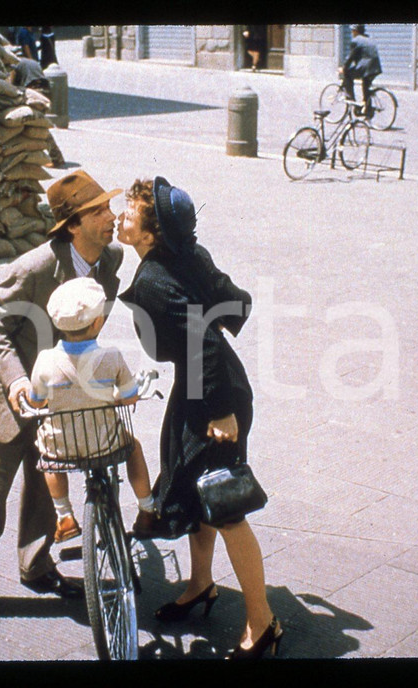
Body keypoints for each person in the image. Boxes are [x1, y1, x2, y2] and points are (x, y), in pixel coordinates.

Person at [116, 177, 283, 660]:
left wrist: (222, 412)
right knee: (196, 488)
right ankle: (201, 584)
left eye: (128, 214)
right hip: (208, 386)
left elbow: (202, 343)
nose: (121, 218)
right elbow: (237, 299)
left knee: (227, 505)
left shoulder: (153, 281)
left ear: (151, 234)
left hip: (213, 395)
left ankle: (262, 622)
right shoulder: (189, 253)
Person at [0, 170, 125, 638]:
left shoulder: (111, 259)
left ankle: (36, 566)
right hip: (9, 398)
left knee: (44, 487)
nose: (110, 218)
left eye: (108, 208)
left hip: (60, 394)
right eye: (98, 212)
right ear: (73, 225)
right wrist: (14, 382)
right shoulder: (34, 268)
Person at [27, 277, 158, 542]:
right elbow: (130, 396)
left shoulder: (46, 360)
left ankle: (64, 516)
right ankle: (147, 510)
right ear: (97, 322)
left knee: (47, 456)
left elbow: (37, 402)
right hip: (105, 441)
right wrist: (115, 397)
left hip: (63, 444)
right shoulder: (111, 356)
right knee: (134, 448)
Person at [8, 56, 66, 168]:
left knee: (38, 127)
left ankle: (56, 157)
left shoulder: (15, 65)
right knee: (36, 124)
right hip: (46, 91)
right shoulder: (29, 61)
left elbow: (12, 84)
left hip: (35, 92)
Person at [339, 24, 382, 120]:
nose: (352, 33)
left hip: (366, 67)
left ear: (355, 31)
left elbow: (350, 57)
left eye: (352, 31)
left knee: (348, 75)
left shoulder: (356, 40)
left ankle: (352, 100)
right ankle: (367, 111)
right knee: (366, 87)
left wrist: (344, 68)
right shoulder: (369, 39)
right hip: (375, 67)